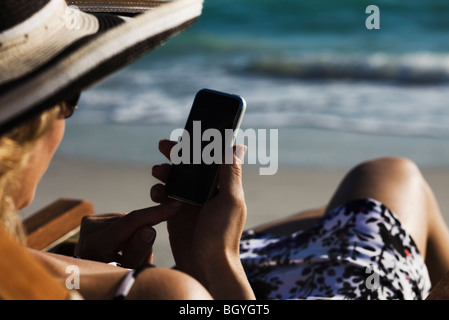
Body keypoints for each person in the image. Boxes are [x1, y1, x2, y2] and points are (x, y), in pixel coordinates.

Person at [1, 0, 449, 300]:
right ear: (17, 136)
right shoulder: (165, 294)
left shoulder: (32, 269)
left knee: (357, 198)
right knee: (393, 177)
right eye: (67, 100)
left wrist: (88, 267)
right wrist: (217, 264)